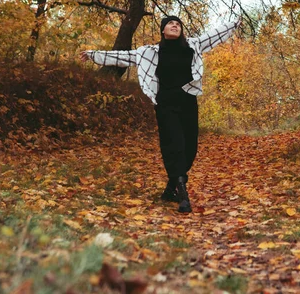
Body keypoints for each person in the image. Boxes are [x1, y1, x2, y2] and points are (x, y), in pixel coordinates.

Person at [80, 15, 241, 213]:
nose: (175, 25)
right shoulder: (150, 52)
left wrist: (235, 22)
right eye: (170, 24)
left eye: (178, 24)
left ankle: (170, 188)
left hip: (188, 101)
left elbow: (216, 35)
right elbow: (123, 57)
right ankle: (183, 195)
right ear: (163, 30)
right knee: (174, 145)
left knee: (190, 148)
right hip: (165, 103)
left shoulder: (193, 45)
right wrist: (93, 54)